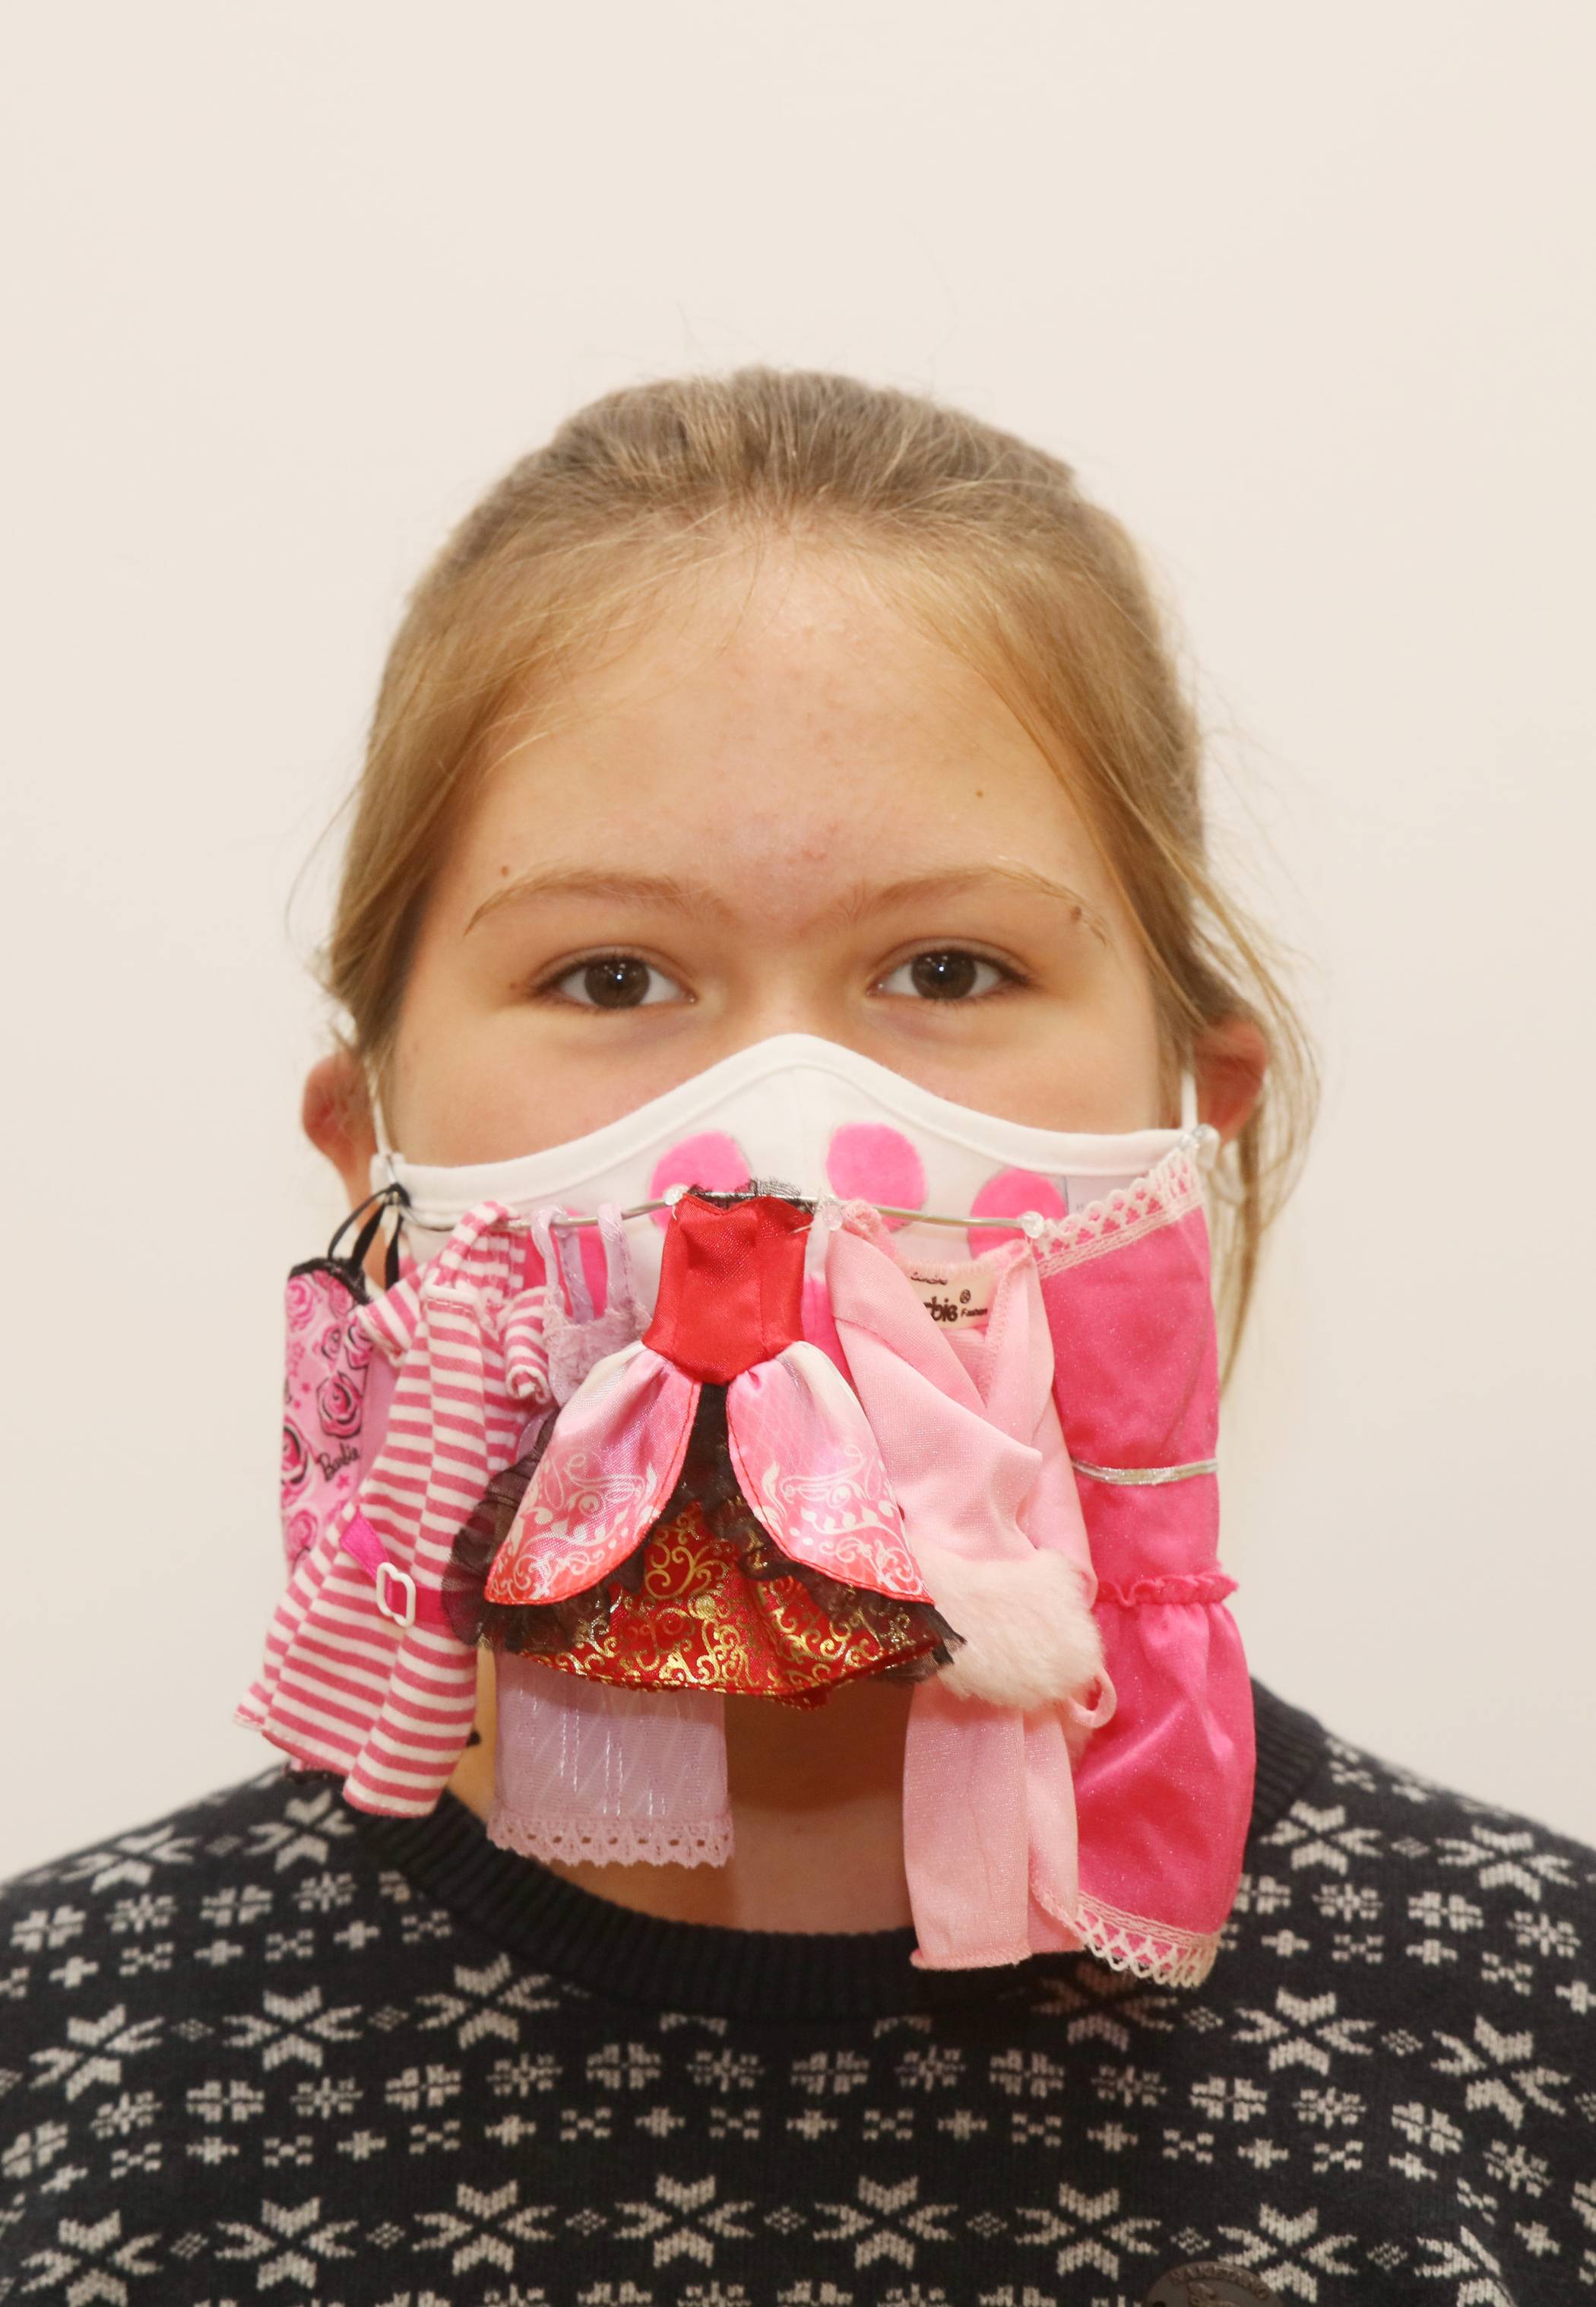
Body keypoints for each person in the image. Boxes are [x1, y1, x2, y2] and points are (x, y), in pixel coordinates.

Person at [3, 369, 1591, 2307]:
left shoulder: (1544, 2032)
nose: (773, 1140)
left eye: (950, 967)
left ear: (1194, 1122)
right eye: (611, 974)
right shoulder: (56, 2069)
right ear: (368, 1141)